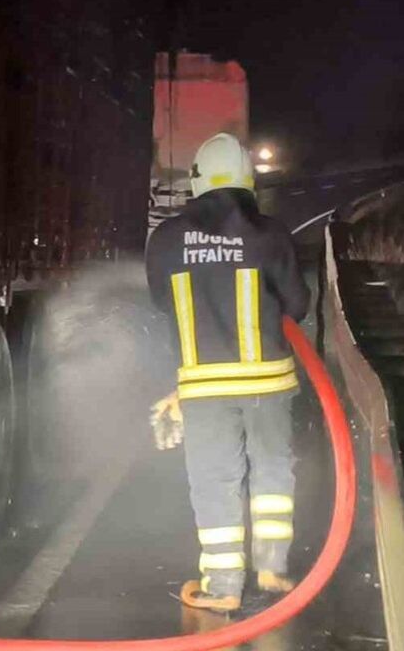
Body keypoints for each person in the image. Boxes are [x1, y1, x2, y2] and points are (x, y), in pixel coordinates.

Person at [145, 132, 310, 612]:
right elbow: (297, 304)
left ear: (195, 183)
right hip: (269, 383)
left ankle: (223, 587)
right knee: (272, 473)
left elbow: (162, 304)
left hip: (205, 387)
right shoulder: (270, 234)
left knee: (215, 481)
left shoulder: (167, 239)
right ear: (247, 181)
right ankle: (273, 569)